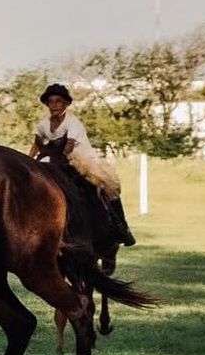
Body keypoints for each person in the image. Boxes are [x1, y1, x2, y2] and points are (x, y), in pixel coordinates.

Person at [30, 83, 136, 246]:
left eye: (59, 101)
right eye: (51, 102)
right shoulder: (43, 124)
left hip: (82, 160)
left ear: (66, 104)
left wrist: (56, 155)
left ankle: (121, 227)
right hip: (57, 160)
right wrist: (29, 161)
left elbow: (69, 146)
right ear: (47, 104)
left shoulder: (73, 122)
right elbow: (37, 144)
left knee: (107, 186)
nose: (54, 105)